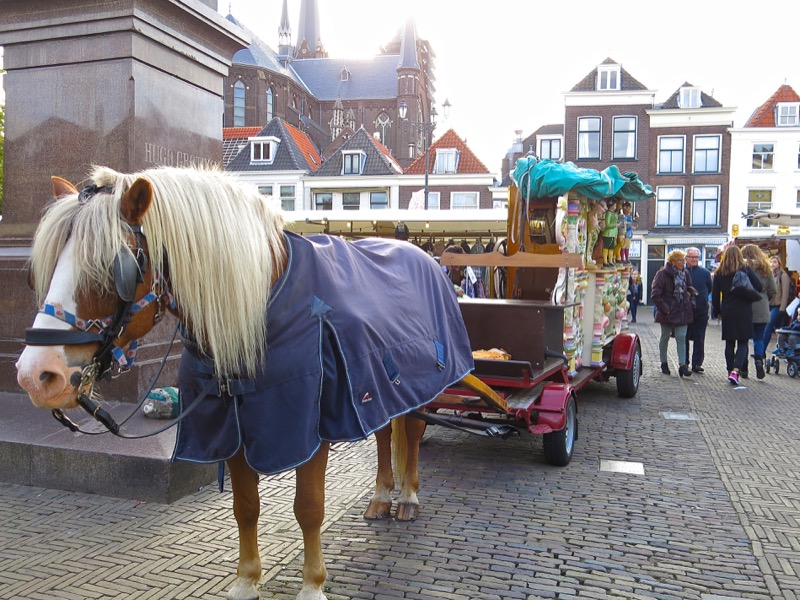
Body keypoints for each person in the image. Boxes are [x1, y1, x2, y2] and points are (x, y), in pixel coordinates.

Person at [711, 245, 764, 385]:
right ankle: (736, 371)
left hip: (728, 310)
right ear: (740, 256)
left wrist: (717, 312)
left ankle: (730, 370)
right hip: (744, 310)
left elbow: (715, 296)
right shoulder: (745, 269)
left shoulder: (719, 273)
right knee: (743, 342)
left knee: (729, 342)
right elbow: (759, 286)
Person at [650, 249, 696, 377]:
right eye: (680, 260)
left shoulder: (685, 273)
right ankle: (663, 362)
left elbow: (690, 289)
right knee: (665, 336)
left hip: (683, 311)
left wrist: (692, 302)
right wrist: (665, 309)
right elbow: (655, 294)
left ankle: (682, 365)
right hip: (668, 313)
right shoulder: (662, 274)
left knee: (681, 337)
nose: (683, 262)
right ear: (673, 261)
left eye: (683, 260)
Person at [741, 244, 777, 379]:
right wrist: (765, 298)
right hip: (761, 305)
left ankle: (744, 368)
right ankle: (758, 361)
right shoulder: (766, 268)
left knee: (743, 339)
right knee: (759, 338)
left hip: (745, 305)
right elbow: (773, 290)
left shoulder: (742, 267)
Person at [684, 247, 713, 373]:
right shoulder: (681, 272)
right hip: (685, 311)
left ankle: (697, 363)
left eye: (696, 257)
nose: (694, 259)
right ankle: (684, 362)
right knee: (684, 337)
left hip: (701, 311)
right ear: (686, 258)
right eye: (692, 257)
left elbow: (710, 288)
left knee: (699, 338)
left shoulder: (705, 273)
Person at [764, 255, 793, 351]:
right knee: (780, 329)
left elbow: (785, 293)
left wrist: (782, 309)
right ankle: (783, 348)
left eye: (775, 262)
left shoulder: (783, 275)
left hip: (778, 306)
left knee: (768, 325)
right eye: (771, 262)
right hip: (770, 305)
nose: (772, 264)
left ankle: (761, 351)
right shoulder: (769, 275)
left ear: (779, 264)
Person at [601, 199, 618, 267]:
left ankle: (610, 260)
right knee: (606, 247)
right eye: (614, 205)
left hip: (613, 234)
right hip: (608, 233)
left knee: (611, 248)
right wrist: (615, 225)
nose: (615, 207)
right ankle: (605, 261)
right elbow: (607, 224)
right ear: (611, 206)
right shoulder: (608, 213)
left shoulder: (613, 213)